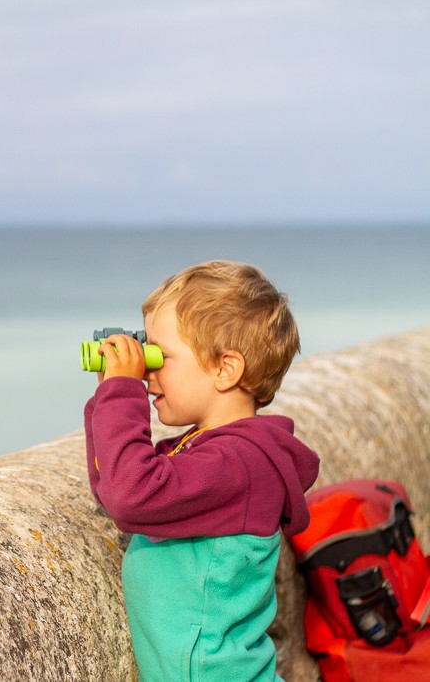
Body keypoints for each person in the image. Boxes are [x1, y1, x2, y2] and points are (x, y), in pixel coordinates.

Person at [84, 260, 320, 681]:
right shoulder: (203, 450)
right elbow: (111, 482)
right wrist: (107, 397)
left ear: (225, 369)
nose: (148, 371)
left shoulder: (239, 466)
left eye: (160, 355)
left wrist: (121, 392)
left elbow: (130, 496)